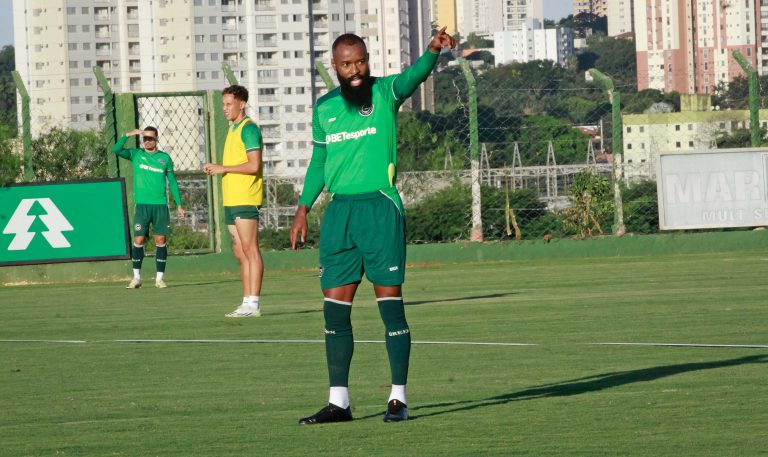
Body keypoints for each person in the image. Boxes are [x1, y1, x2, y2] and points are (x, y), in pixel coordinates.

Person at [290, 28, 456, 424]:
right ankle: (339, 403)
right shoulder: (324, 108)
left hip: (380, 209)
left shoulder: (385, 93)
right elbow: (318, 164)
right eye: (347, 64)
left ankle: (398, 398)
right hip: (340, 214)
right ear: (335, 67)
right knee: (334, 313)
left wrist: (432, 49)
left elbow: (413, 77)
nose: (355, 70)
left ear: (367, 59)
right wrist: (302, 207)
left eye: (361, 60)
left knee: (390, 309)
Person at [203, 85, 265, 318]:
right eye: (223, 104)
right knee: (240, 252)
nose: (225, 109)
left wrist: (223, 168)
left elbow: (253, 165)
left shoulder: (248, 129)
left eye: (229, 104)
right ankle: (246, 301)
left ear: (242, 104)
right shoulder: (233, 129)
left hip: (245, 198)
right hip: (232, 199)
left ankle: (254, 303)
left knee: (250, 249)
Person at [112, 126, 184, 289]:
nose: (147, 141)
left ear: (156, 139)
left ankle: (159, 279)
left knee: (160, 240)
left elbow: (172, 181)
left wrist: (179, 204)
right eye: (145, 138)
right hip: (142, 205)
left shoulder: (164, 158)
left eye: (150, 138)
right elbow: (116, 149)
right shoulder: (136, 154)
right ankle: (136, 277)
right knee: (139, 239)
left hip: (159, 205)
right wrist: (127, 135)